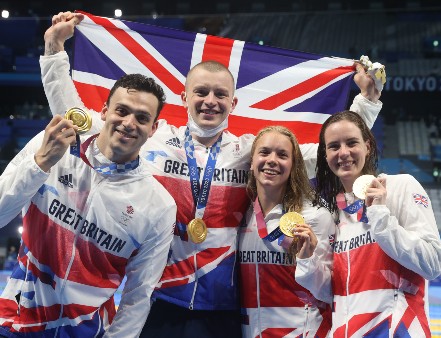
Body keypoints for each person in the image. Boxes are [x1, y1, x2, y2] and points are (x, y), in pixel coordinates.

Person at [40, 11, 383, 338]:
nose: (210, 101)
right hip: (158, 302)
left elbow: (327, 153)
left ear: (233, 104)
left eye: (221, 94)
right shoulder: (152, 139)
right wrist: (55, 51)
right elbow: (78, 123)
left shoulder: (250, 151)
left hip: (223, 310)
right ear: (184, 96)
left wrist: (365, 102)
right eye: (201, 92)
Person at [0, 74, 176, 337]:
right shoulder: (52, 148)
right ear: (104, 112)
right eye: (122, 111)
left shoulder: (158, 204)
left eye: (141, 118)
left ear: (153, 128)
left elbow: (138, 297)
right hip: (15, 323)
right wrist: (40, 164)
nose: (129, 123)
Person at [295, 110, 441, 337]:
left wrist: (380, 216)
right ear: (325, 156)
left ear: (368, 146)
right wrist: (307, 260)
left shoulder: (400, 186)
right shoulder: (333, 212)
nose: (343, 152)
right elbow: (331, 292)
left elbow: (432, 263)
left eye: (351, 143)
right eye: (334, 146)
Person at [239, 126, 335, 337]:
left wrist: (309, 261)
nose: (272, 160)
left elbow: (331, 292)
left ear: (294, 165)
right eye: (264, 152)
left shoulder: (314, 217)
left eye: (282, 155)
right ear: (252, 162)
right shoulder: (241, 215)